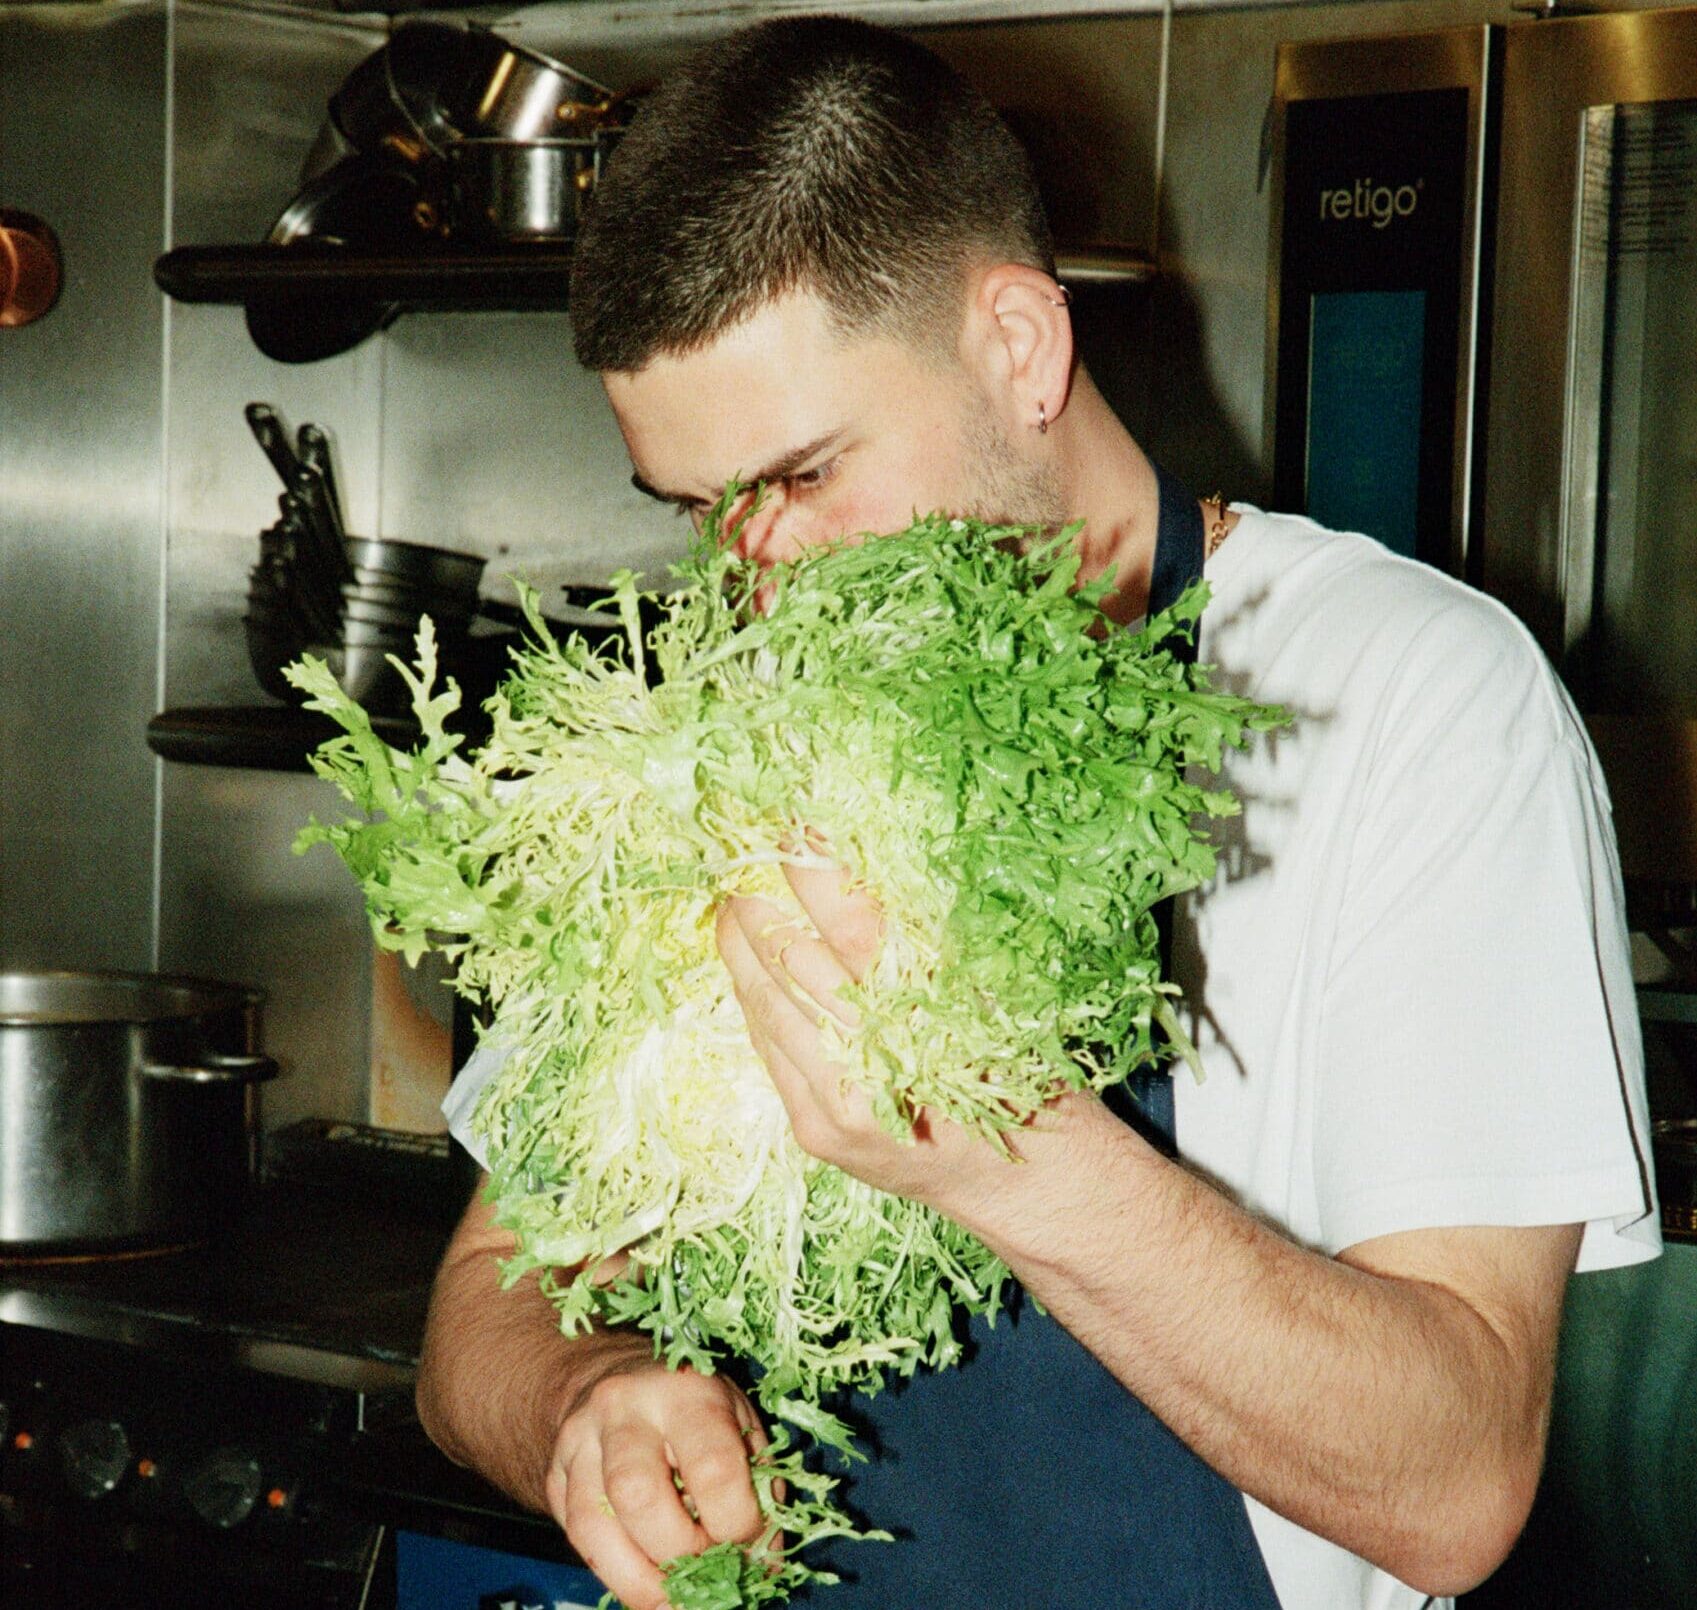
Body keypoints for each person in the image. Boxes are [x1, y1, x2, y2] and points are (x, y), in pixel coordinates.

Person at [418, 17, 1659, 1610]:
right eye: (696, 510)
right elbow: (484, 1297)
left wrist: (991, 1146)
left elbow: (1451, 1477)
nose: (756, 575)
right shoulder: (731, 732)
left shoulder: (1406, 698)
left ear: (1017, 345)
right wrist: (578, 1399)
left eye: (800, 476)